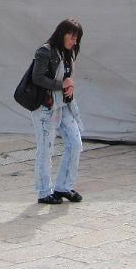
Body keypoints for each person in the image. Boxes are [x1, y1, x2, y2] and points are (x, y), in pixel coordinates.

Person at [29, 18, 84, 205]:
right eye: (72, 37)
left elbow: (67, 78)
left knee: (75, 143)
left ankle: (63, 187)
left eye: (77, 39)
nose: (74, 42)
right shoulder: (45, 51)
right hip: (45, 106)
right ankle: (44, 192)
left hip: (64, 104)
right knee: (46, 149)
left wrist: (69, 87)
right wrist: (63, 84)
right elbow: (37, 78)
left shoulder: (68, 53)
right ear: (62, 33)